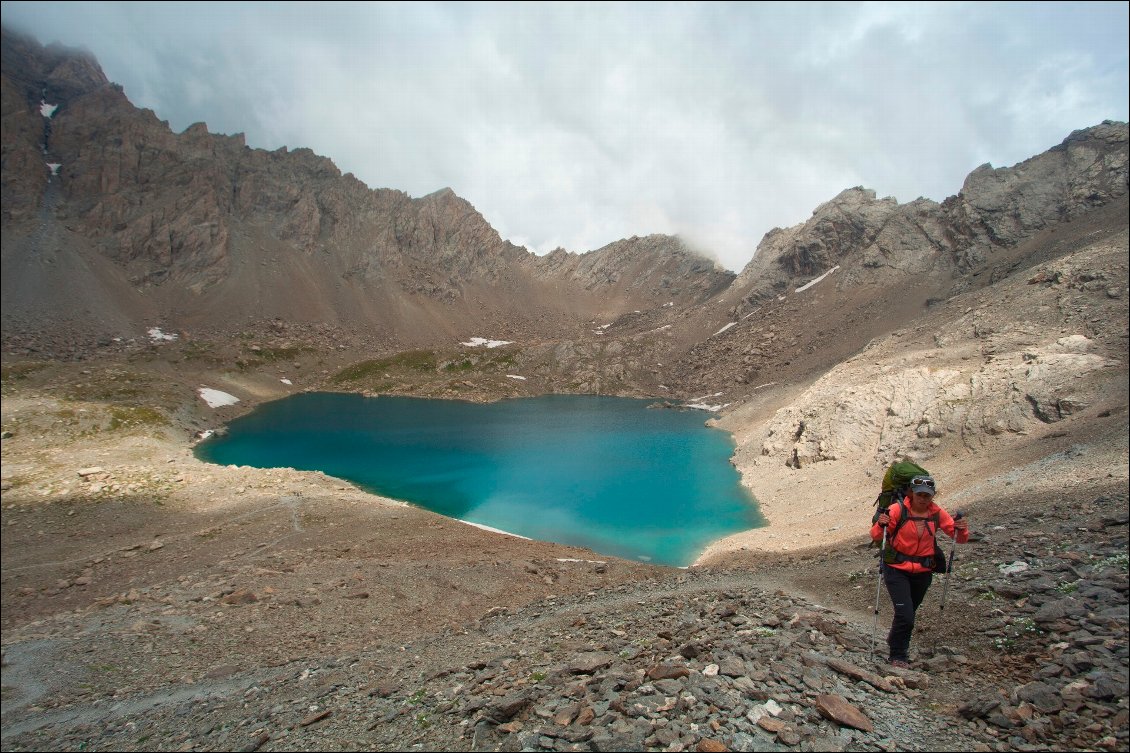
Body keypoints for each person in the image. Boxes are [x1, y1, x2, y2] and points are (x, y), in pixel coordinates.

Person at [870, 475, 968, 668]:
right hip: (896, 569)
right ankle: (898, 655)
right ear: (911, 494)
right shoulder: (898, 509)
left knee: (908, 613)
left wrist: (961, 529)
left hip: (923, 572)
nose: (924, 499)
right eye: (920, 494)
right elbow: (877, 535)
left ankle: (894, 640)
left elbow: (959, 537)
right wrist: (880, 524)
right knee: (905, 614)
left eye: (928, 495)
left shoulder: (936, 513)